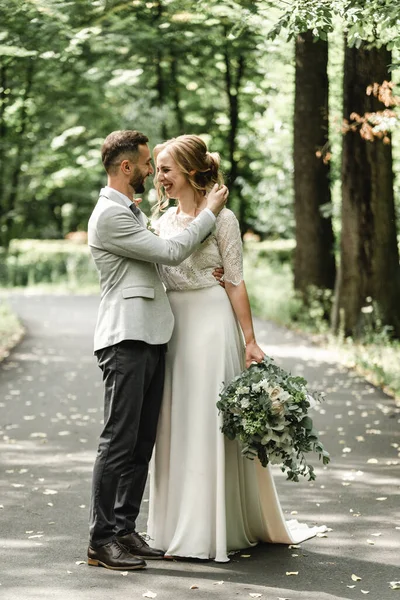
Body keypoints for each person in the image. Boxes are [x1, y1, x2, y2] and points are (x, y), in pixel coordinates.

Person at [147, 134, 325, 562]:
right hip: (173, 328)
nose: (160, 178)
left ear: (190, 171)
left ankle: (212, 526)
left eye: (167, 169)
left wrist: (250, 339)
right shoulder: (162, 220)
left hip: (210, 325)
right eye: (157, 169)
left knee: (207, 421)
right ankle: (173, 527)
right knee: (175, 423)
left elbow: (235, 279)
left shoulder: (223, 218)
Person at [86, 130, 228, 571]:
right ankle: (100, 539)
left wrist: (206, 279)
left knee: (141, 440)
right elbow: (169, 252)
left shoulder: (131, 211)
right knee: (118, 440)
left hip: (151, 334)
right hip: (125, 337)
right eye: (147, 164)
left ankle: (125, 530)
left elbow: (158, 268)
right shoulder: (111, 215)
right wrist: (208, 214)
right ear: (126, 167)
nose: (151, 171)